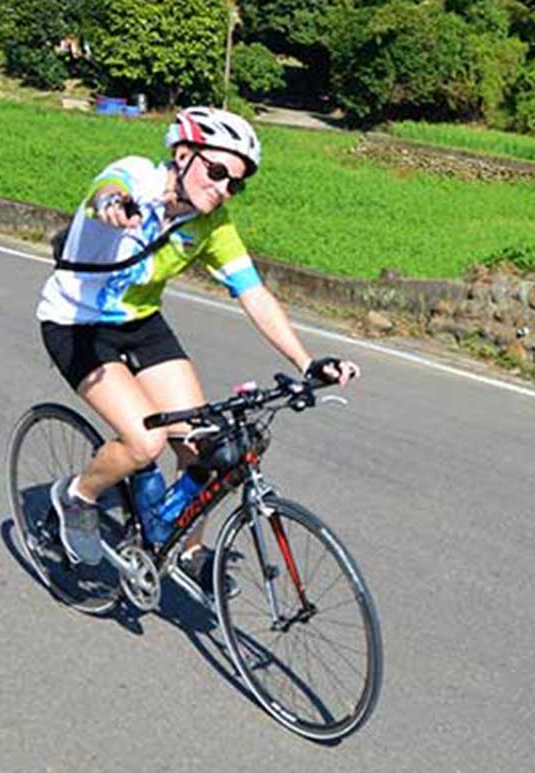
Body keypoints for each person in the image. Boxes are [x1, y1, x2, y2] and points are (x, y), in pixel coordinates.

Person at [36, 106, 358, 588]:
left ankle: (188, 551)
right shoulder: (137, 178)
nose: (225, 187)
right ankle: (78, 497)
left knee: (212, 446)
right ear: (183, 154)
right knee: (145, 443)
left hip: (141, 324)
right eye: (217, 171)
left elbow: (254, 293)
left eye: (237, 182)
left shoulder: (212, 224)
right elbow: (108, 189)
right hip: (77, 325)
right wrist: (112, 204)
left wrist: (308, 361)